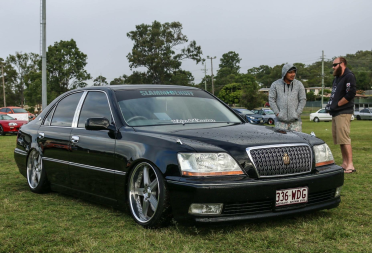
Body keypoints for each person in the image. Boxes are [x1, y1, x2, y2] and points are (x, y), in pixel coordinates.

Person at [325, 57, 356, 173]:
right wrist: (331, 106)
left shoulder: (349, 76)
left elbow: (350, 94)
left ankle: (350, 165)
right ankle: (344, 163)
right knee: (339, 139)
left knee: (345, 139)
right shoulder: (337, 78)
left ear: (342, 64)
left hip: (344, 112)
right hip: (336, 112)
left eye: (335, 65)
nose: (333, 67)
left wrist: (337, 104)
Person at [269, 64, 306, 132]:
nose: (293, 74)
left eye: (294, 72)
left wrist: (297, 113)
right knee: (281, 142)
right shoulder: (275, 85)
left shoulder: (299, 84)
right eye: (290, 72)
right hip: (280, 122)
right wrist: (277, 113)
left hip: (295, 122)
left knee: (296, 141)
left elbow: (302, 99)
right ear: (285, 73)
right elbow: (271, 100)